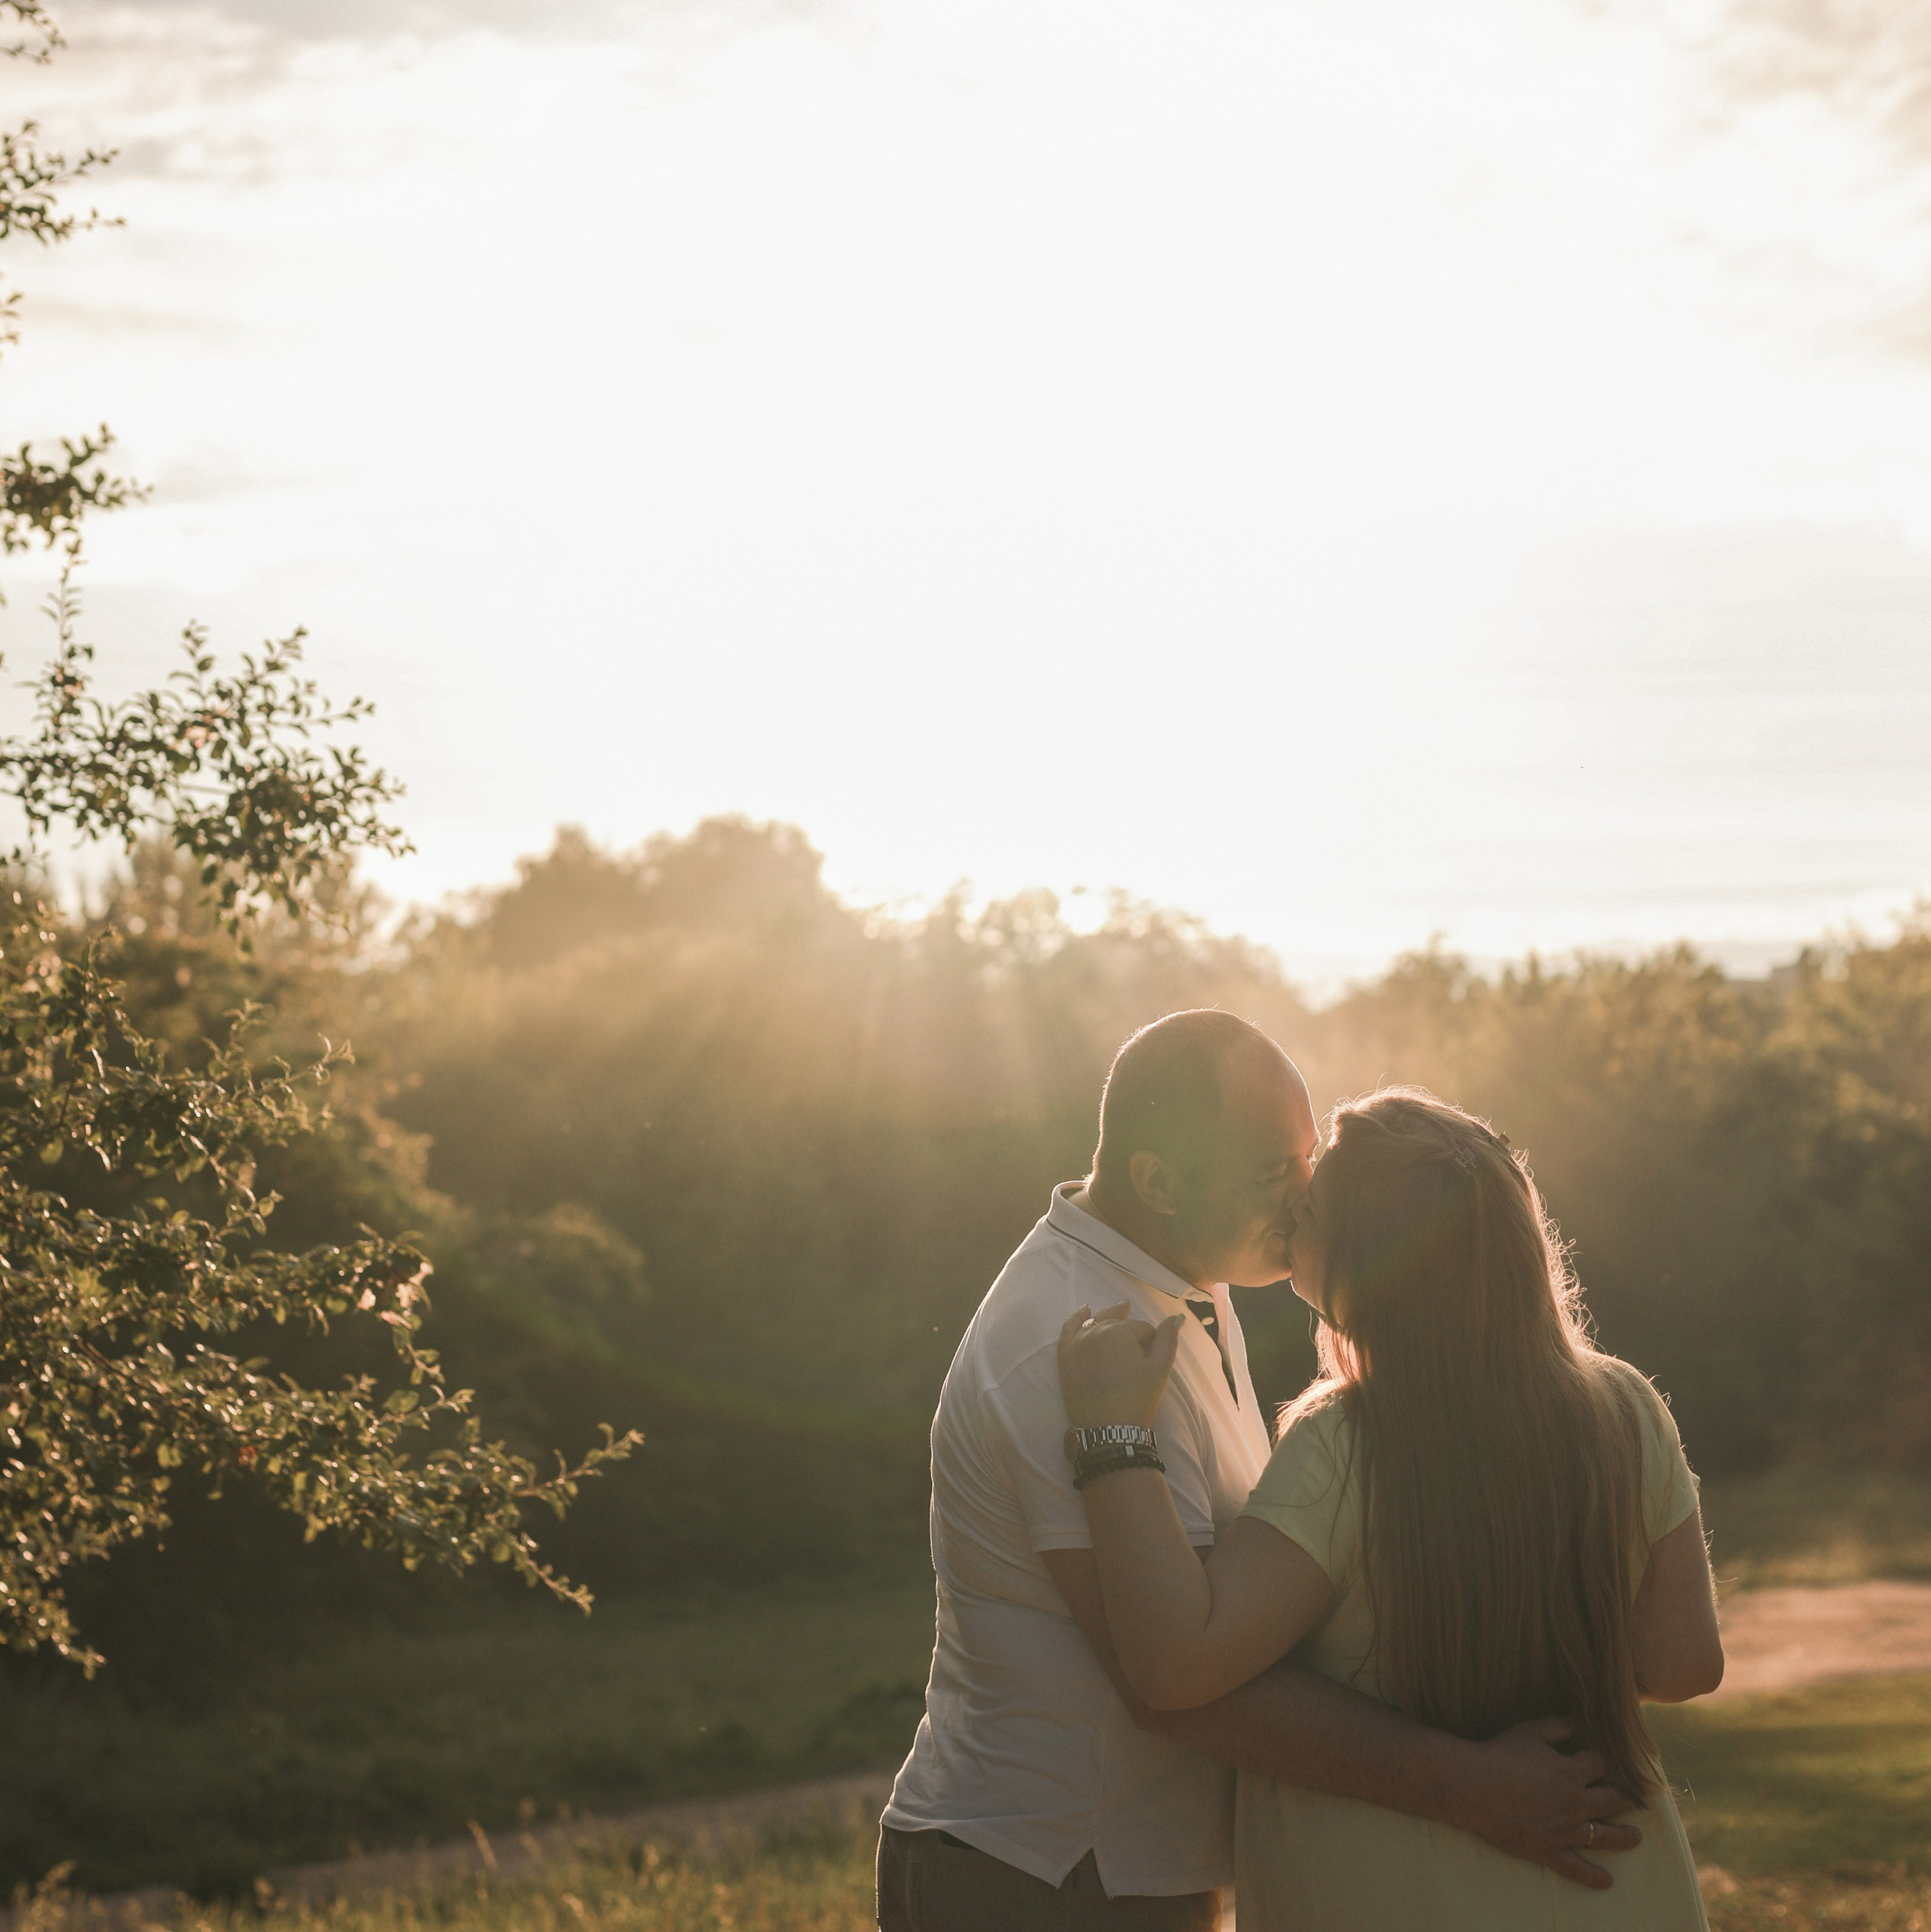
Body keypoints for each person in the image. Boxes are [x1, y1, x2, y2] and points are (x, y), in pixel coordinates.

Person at [878, 1014, 1648, 1932]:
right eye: (1269, 1173)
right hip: (1048, 1876)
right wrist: (1471, 1785)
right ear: (1157, 1181)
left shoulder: (1183, 1282)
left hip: (1119, 1871)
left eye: (1307, 1154)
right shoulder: (1077, 1342)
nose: (1305, 1194)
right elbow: (1172, 1680)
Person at [1056, 1085, 1724, 1930]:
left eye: (1312, 1207)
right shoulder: (1626, 1407)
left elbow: (1176, 1665)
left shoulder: (1347, 1445)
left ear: (1376, 1262)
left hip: (1391, 1891)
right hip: (1612, 1886)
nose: (1291, 1216)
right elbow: (1684, 1662)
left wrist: (1112, 1429)